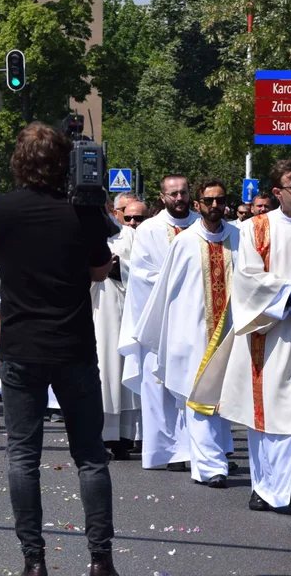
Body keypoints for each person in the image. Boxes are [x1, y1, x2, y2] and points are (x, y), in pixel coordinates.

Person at [0, 123, 116, 576]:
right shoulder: (83, 210)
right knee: (90, 456)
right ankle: (100, 559)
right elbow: (98, 274)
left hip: (21, 346)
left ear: (18, 160)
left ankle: (33, 560)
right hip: (73, 344)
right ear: (66, 163)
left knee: (22, 456)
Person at [216, 160, 291, 512]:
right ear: (277, 193)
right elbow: (247, 279)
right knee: (268, 412)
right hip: (270, 331)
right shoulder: (256, 228)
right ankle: (264, 486)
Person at [135, 179, 238, 488]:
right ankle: (210, 467)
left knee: (224, 397)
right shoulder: (185, 241)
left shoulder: (238, 237)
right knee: (198, 396)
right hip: (192, 334)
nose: (215, 206)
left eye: (220, 200)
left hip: (230, 331)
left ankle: (216, 456)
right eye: (209, 201)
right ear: (199, 205)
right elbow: (167, 292)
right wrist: (171, 335)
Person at [117, 174, 199, 471]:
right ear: (162, 197)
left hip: (198, 319)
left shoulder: (203, 226)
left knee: (195, 384)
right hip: (159, 321)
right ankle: (167, 450)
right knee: (160, 385)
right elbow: (140, 274)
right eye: (173, 194)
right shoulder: (150, 229)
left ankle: (196, 447)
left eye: (184, 192)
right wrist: (179, 283)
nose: (179, 198)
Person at [93, 201, 142, 461]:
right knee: (102, 373)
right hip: (96, 314)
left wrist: (119, 268)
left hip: (127, 312)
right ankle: (100, 436)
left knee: (125, 370)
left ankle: (125, 436)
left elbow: (144, 271)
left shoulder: (130, 234)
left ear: (111, 209)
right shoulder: (83, 235)